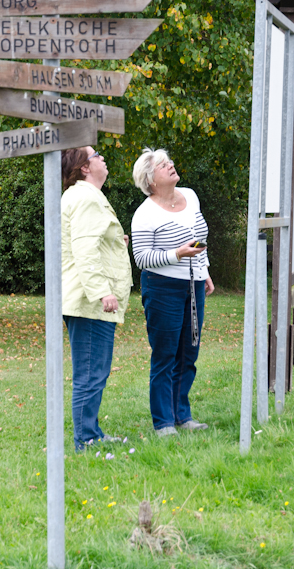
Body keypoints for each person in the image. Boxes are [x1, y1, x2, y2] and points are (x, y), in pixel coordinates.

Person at [130, 148, 214, 437]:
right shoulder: (144, 213)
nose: (172, 166)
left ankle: (183, 415)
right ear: (150, 179)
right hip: (163, 288)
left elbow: (200, 238)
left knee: (188, 352)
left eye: (170, 162)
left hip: (194, 283)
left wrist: (205, 270)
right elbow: (141, 258)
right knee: (165, 354)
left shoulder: (190, 196)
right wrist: (176, 254)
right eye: (164, 165)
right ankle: (163, 423)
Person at [61, 146, 132, 450]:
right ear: (85, 167)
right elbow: (85, 250)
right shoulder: (87, 197)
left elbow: (92, 242)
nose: (103, 158)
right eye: (97, 155)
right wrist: (102, 291)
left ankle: (91, 433)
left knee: (94, 372)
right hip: (89, 301)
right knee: (90, 374)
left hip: (86, 297)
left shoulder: (85, 197)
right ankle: (86, 439)